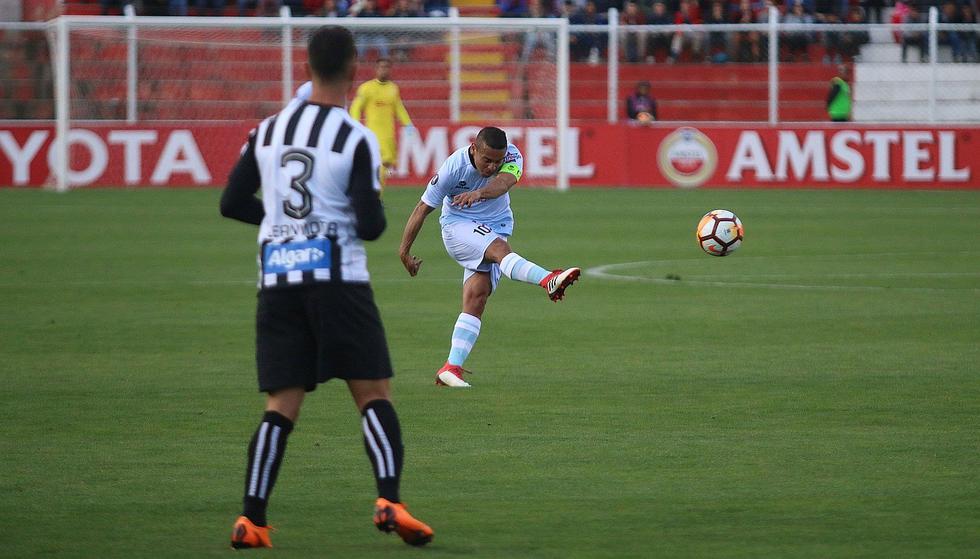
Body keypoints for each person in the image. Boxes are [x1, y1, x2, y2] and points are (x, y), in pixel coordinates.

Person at [219, 25, 433, 549]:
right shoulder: (354, 137)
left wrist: (281, 225)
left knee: (281, 404)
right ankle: (389, 499)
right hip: (339, 282)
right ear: (354, 71)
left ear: (306, 67)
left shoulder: (267, 131)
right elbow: (371, 226)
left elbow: (231, 202)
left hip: (278, 281)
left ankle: (251, 518)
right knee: (372, 393)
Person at [397, 127, 581, 388]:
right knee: (499, 250)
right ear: (474, 149)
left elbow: (503, 183)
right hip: (457, 226)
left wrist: (479, 193)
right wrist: (404, 251)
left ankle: (451, 367)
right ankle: (548, 280)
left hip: (496, 226)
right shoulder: (453, 169)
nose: (493, 166)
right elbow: (421, 209)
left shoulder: (512, 155)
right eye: (487, 160)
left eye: (497, 161)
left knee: (477, 296)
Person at [349, 58, 413, 186]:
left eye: (387, 67)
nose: (384, 70)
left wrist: (408, 124)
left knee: (386, 164)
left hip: (388, 135)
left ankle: (376, 193)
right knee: (378, 163)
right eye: (381, 67)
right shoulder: (366, 88)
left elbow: (399, 108)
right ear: (376, 69)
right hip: (373, 134)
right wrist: (355, 123)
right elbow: (356, 107)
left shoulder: (393, 89)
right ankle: (373, 192)